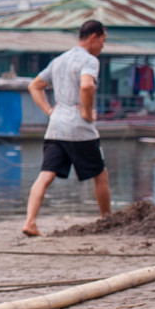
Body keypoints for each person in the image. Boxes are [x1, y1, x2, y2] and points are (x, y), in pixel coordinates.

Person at [22, 20, 111, 237]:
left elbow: (34, 86)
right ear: (94, 37)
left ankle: (30, 222)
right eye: (103, 41)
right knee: (100, 174)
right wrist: (88, 113)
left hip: (56, 126)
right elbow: (87, 86)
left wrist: (50, 111)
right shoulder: (89, 61)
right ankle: (107, 219)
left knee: (45, 175)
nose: (102, 47)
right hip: (79, 126)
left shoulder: (59, 60)